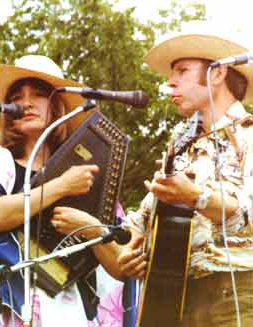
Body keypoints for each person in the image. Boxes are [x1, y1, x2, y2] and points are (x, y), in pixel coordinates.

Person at [0, 55, 124, 327]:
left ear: (58, 107)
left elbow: (120, 264)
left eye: (39, 94)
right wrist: (62, 186)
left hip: (71, 311)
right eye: (17, 96)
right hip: (6, 307)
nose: (26, 103)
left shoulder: (89, 172)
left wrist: (91, 228)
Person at [117, 33, 253, 326]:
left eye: (182, 71)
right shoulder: (179, 146)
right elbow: (141, 221)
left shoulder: (249, 136)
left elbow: (249, 212)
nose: (170, 83)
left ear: (217, 73)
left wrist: (196, 197)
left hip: (236, 294)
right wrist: (130, 249)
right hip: (173, 297)